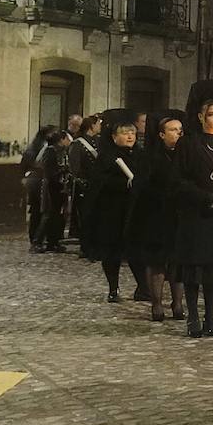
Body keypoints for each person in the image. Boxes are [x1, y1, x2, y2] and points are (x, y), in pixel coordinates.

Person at [172, 87, 213, 339]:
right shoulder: (188, 144)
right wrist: (204, 196)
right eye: (210, 114)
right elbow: (179, 179)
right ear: (200, 117)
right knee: (193, 268)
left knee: (212, 270)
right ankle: (193, 317)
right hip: (195, 212)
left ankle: (211, 315)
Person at [126, 114, 185, 322]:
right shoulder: (149, 157)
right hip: (156, 215)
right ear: (161, 134)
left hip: (179, 215)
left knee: (178, 261)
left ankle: (178, 303)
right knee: (157, 261)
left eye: (180, 129)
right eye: (172, 130)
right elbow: (142, 186)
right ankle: (157, 304)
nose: (178, 133)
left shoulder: (185, 155)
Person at [82, 119, 141, 302]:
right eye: (124, 132)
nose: (129, 136)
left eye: (132, 132)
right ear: (114, 137)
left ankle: (143, 287)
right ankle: (113, 288)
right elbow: (99, 182)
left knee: (137, 251)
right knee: (112, 251)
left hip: (136, 210)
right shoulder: (107, 156)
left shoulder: (140, 155)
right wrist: (124, 183)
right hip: (113, 211)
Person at [35, 130, 73, 253]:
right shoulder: (50, 151)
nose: (69, 141)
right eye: (67, 139)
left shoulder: (61, 151)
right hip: (51, 186)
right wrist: (63, 170)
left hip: (58, 186)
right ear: (61, 140)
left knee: (57, 215)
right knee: (48, 214)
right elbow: (49, 171)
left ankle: (53, 241)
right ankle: (37, 242)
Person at [67, 115, 102, 241]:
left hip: (96, 183)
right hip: (84, 184)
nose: (100, 126)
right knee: (84, 215)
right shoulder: (78, 143)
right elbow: (75, 166)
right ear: (92, 126)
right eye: (98, 124)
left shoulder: (98, 141)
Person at [21, 125, 55, 250]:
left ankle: (34, 238)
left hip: (32, 180)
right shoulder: (45, 148)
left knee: (35, 210)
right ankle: (37, 240)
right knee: (43, 210)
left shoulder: (35, 145)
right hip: (39, 181)